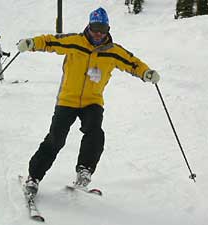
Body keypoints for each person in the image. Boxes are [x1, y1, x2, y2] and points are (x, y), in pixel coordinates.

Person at [17, 7, 160, 197]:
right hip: (67, 100)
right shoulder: (75, 42)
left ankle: (84, 170)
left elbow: (133, 62)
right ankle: (33, 177)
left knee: (95, 132)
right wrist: (31, 43)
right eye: (95, 28)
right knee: (56, 139)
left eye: (103, 29)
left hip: (92, 101)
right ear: (89, 26)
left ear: (108, 29)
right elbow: (50, 41)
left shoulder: (113, 51)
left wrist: (146, 72)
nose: (99, 33)